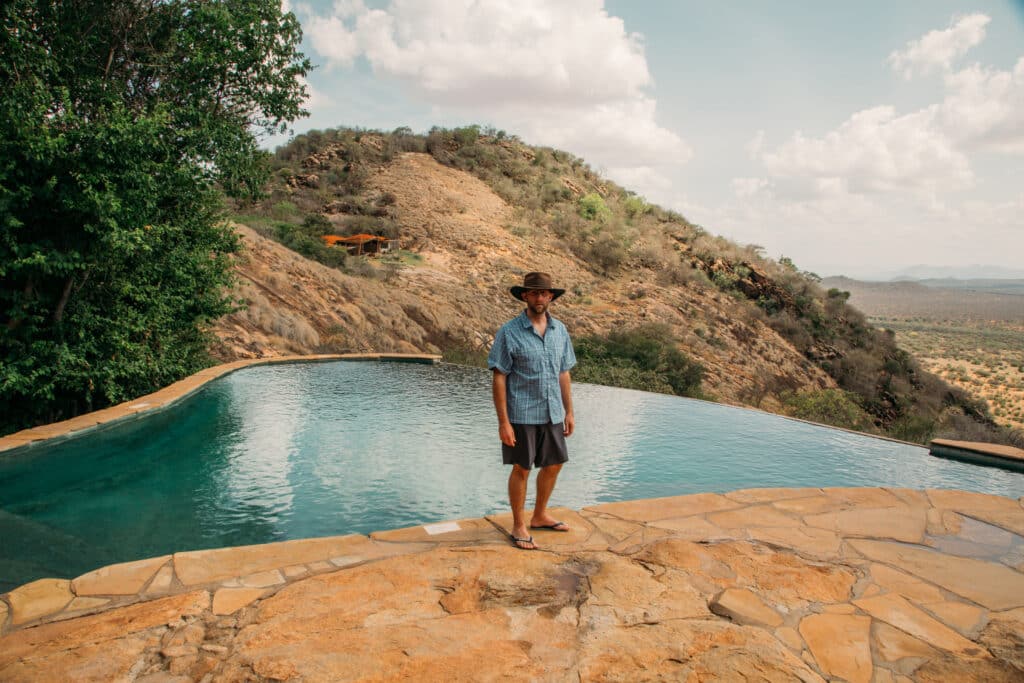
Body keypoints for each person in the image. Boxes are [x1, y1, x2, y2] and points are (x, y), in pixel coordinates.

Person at [488, 272, 577, 550]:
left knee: (554, 464)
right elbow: (499, 376)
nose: (540, 298)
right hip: (522, 413)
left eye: (544, 293)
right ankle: (518, 525)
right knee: (522, 468)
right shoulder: (509, 332)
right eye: (534, 293)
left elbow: (564, 373)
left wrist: (569, 411)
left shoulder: (559, 330)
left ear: (551, 296)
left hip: (552, 412)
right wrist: (504, 422)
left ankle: (539, 515)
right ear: (524, 296)